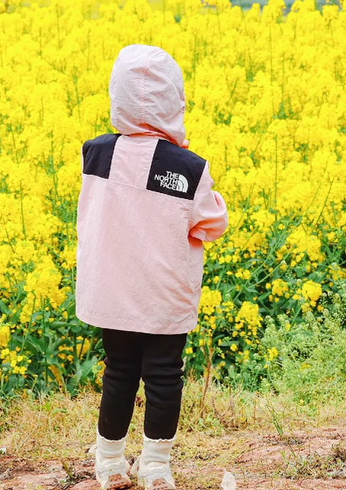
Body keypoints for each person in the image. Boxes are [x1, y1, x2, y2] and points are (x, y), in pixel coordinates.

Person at [76, 44, 228, 490]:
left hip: (113, 293)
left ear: (116, 98)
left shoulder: (95, 154)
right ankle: (157, 466)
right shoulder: (187, 167)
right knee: (164, 376)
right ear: (174, 103)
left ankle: (109, 463)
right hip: (162, 297)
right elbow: (211, 223)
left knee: (118, 371)